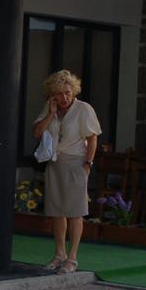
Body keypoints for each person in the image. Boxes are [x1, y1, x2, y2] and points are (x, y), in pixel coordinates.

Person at [33, 69, 101, 274]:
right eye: (60, 93)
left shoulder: (84, 109)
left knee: (75, 212)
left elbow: (92, 138)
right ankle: (59, 254)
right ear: (53, 93)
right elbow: (37, 132)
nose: (64, 97)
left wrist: (88, 164)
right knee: (57, 211)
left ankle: (72, 258)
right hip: (55, 162)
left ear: (74, 92)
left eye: (68, 93)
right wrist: (51, 113)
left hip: (75, 163)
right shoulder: (50, 107)